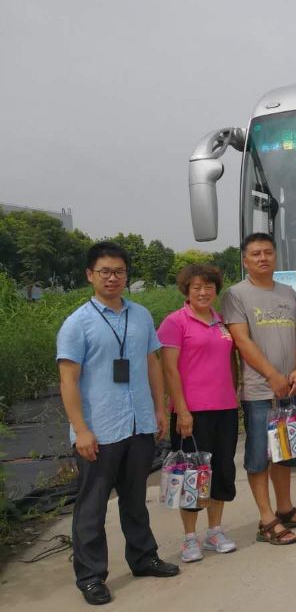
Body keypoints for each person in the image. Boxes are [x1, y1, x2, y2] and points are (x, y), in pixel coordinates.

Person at [56, 242, 179, 606]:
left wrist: (159, 410)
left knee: (135, 498)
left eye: (119, 272)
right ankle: (91, 576)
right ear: (90, 275)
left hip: (139, 422)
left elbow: (152, 363)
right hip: (100, 429)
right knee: (92, 506)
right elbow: (68, 381)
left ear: (127, 275)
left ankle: (143, 557)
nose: (112, 278)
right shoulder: (77, 323)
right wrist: (81, 430)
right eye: (105, 271)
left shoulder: (140, 315)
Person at [221, 233, 296, 546]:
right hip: (260, 391)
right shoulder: (235, 295)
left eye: (267, 252)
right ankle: (266, 520)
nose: (262, 258)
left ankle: (285, 508)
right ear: (245, 260)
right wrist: (272, 375)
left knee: (286, 451)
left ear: (276, 257)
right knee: (258, 456)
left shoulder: (287, 292)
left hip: (290, 387)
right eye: (255, 254)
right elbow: (241, 340)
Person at [157, 264, 239, 563]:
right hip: (192, 412)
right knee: (192, 474)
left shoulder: (221, 322)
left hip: (225, 408)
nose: (203, 292)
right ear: (187, 291)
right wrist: (181, 410)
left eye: (209, 287)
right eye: (197, 287)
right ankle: (190, 537)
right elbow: (169, 369)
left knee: (222, 470)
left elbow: (231, 363)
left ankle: (214, 531)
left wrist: (235, 394)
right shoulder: (175, 322)